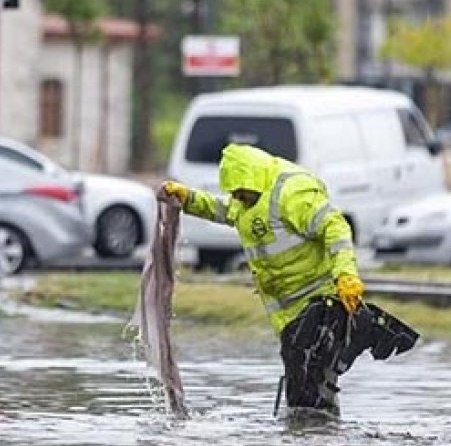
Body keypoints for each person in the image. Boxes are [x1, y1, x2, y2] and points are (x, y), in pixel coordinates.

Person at [161, 144, 416, 414]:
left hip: (320, 302)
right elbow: (222, 210)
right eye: (233, 193)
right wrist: (187, 198)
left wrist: (346, 275)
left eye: (240, 192)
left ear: (252, 180)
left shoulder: (291, 193)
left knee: (307, 379)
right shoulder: (246, 200)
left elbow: (335, 226)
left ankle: (312, 430)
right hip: (288, 315)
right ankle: (316, 430)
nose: (237, 197)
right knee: (308, 384)